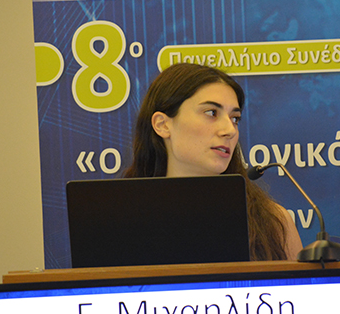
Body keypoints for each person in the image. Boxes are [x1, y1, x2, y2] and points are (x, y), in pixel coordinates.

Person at [123, 63, 303, 260]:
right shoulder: (121, 219)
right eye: (211, 113)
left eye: (235, 118)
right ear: (162, 125)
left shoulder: (273, 221)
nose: (230, 130)